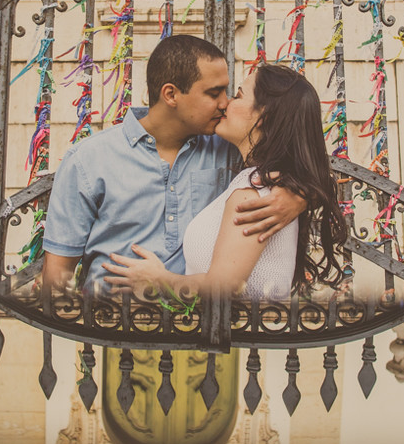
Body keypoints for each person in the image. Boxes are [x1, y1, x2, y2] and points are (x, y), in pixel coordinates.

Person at [41, 36, 308, 294]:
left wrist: (299, 195)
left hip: (202, 327)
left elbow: (303, 158)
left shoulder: (229, 149)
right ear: (171, 94)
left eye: (228, 92)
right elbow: (58, 273)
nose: (225, 103)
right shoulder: (88, 159)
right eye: (214, 93)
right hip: (112, 326)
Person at [102, 64, 347, 299]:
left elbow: (223, 288)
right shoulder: (262, 178)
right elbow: (311, 165)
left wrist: (159, 280)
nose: (226, 103)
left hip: (247, 337)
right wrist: (302, 193)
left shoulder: (254, 192)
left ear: (263, 116)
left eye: (238, 96)